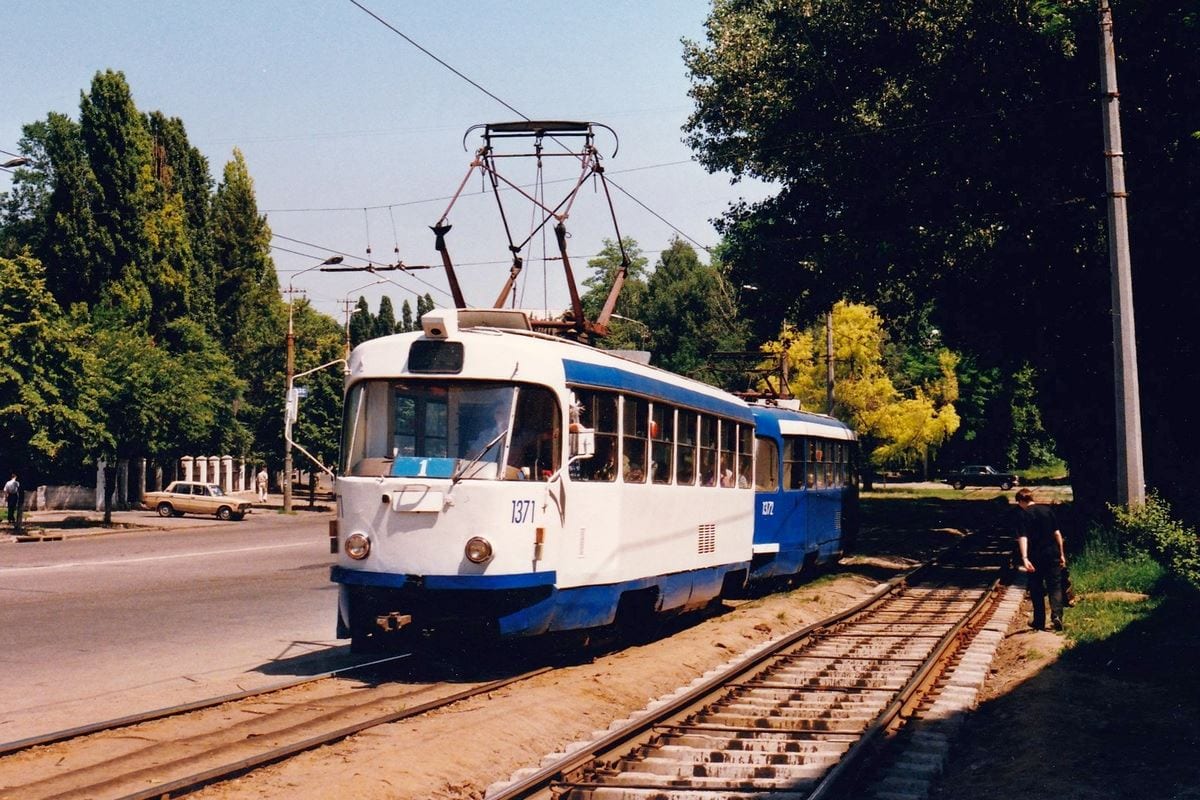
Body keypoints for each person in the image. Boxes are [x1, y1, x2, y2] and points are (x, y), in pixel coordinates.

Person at [1014, 487, 1067, 631]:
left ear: (1020, 501)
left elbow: (1023, 537)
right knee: (1055, 586)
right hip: (1052, 554)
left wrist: (1024, 557)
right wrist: (1062, 553)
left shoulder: (1023, 515)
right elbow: (1057, 534)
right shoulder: (1047, 510)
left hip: (1035, 556)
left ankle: (1039, 621)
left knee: (1036, 588)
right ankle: (1057, 616)